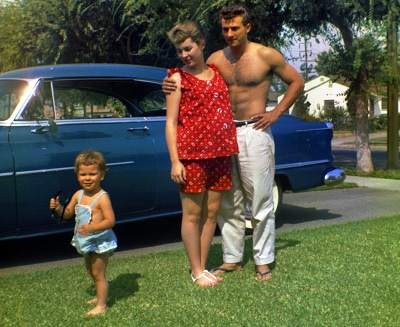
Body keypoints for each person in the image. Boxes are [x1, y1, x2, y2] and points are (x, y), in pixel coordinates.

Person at [163, 5, 304, 281]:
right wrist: (167, 84)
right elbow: (189, 76)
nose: (229, 33)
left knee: (260, 199)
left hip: (255, 130)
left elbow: (296, 81)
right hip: (223, 137)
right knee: (228, 203)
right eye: (225, 29)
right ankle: (232, 258)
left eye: (235, 28)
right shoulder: (216, 59)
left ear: (247, 27)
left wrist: (277, 112)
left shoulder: (265, 55)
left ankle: (263, 260)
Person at [165, 21, 239, 287]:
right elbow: (171, 123)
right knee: (192, 215)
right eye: (180, 51)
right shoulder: (176, 79)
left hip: (220, 155)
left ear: (201, 45)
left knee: (211, 213)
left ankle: (203, 266)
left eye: (188, 48)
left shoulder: (218, 73)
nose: (185, 55)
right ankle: (195, 271)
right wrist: (176, 161)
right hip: (192, 157)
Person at [49, 150, 117, 315]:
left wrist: (93, 228)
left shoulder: (102, 198)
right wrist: (58, 208)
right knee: (90, 271)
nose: (87, 178)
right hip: (85, 240)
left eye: (92, 174)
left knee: (98, 273)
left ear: (102, 175)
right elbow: (68, 213)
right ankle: (101, 297)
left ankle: (101, 305)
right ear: (77, 175)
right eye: (83, 174)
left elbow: (110, 221)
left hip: (100, 241)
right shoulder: (78, 195)